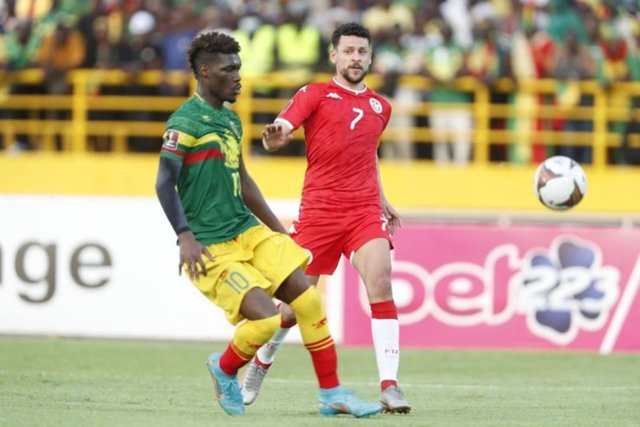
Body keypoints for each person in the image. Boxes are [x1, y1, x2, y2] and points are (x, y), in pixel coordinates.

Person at [155, 31, 381, 419]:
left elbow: (243, 182)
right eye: (229, 70)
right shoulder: (185, 121)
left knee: (309, 300)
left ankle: (332, 394)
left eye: (239, 68)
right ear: (205, 72)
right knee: (268, 320)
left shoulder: (230, 120)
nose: (238, 77)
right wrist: (184, 236)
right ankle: (224, 367)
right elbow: (164, 182)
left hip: (247, 231)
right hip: (210, 243)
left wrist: (279, 230)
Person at [241, 22, 411, 414]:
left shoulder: (380, 107)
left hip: (363, 211)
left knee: (381, 281)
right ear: (334, 55)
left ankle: (390, 386)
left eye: (362, 51)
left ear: (370, 56)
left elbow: (368, 153)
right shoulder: (314, 94)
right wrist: (275, 136)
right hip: (319, 213)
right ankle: (261, 363)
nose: (355, 58)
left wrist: (382, 199)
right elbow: (284, 125)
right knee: (292, 307)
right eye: (348, 51)